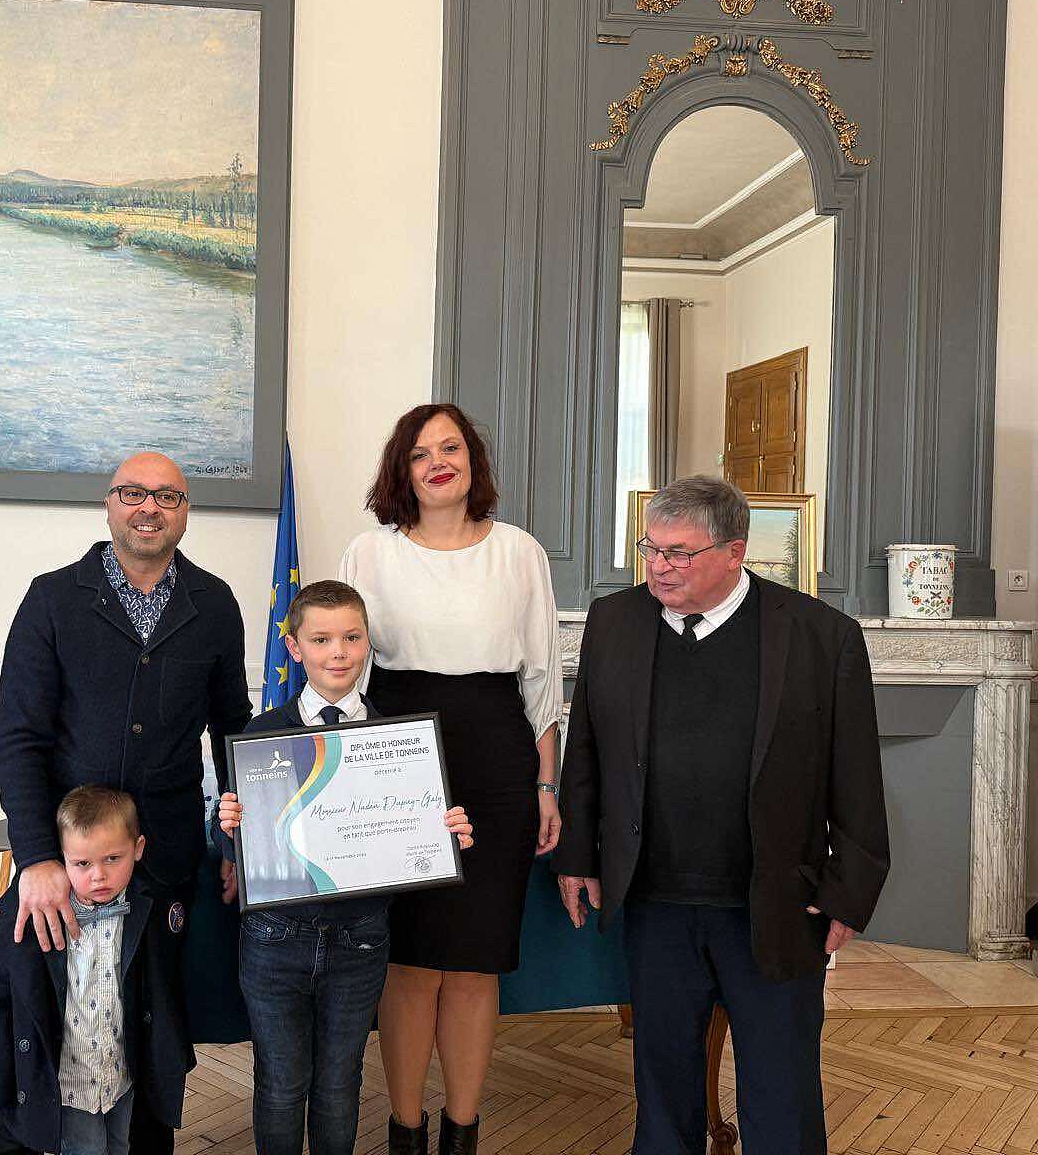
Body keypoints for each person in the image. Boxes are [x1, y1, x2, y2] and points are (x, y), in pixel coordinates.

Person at [555, 476, 890, 1154]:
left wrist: (850, 892)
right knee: (662, 1086)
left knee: (782, 1090)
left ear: (736, 552)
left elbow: (856, 773)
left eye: (679, 553)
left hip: (773, 903)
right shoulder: (614, 622)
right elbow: (586, 748)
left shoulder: (821, 636)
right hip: (653, 901)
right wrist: (578, 855)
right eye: (651, 549)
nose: (659, 566)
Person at [0, 450, 253, 1154]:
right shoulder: (52, 599)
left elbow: (234, 732)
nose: (149, 508)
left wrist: (241, 844)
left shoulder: (214, 604)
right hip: (68, 864)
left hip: (163, 857)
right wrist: (37, 859)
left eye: (167, 496)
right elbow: (18, 736)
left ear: (185, 512)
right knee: (51, 1026)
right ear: (108, 504)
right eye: (133, 493)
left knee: (152, 1028)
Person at [339, 404, 562, 1155]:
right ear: (400, 470)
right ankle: (406, 1131)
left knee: (473, 962)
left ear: (473, 461)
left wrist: (547, 786)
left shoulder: (519, 552)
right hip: (396, 762)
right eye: (420, 453)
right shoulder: (369, 553)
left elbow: (541, 679)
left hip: (497, 763)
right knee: (409, 964)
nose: (438, 462)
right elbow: (344, 668)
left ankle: (462, 1131)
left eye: (451, 448)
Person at [214, 580, 475, 1155]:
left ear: (367, 643)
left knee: (340, 1082)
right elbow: (234, 848)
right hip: (275, 940)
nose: (339, 652)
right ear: (294, 648)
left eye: (352, 638)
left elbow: (413, 830)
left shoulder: (401, 744)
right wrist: (227, 826)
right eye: (322, 639)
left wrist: (446, 832)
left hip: (360, 938)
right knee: (281, 1084)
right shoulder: (261, 736)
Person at [0, 785, 189, 1155]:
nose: (98, 876)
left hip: (119, 1077)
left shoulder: (148, 909)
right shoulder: (33, 919)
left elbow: (164, 995)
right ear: (62, 858)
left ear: (138, 848)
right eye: (82, 864)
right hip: (71, 1084)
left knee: (120, 1146)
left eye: (113, 858)